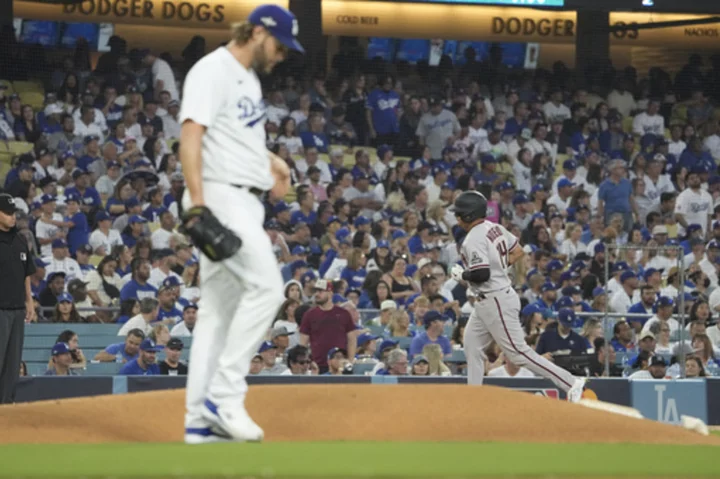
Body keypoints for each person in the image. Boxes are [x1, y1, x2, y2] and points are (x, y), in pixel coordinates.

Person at [179, 4, 303, 445]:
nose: (282, 55)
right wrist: (197, 204)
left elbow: (237, 136)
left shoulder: (248, 79)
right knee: (269, 288)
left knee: (216, 311)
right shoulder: (212, 69)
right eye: (279, 45)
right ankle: (225, 396)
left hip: (244, 197)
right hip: (219, 194)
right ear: (256, 32)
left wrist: (273, 162)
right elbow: (191, 133)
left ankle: (198, 422)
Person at [449, 190, 584, 402]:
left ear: (468, 215)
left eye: (459, 214)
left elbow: (482, 273)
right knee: (472, 344)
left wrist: (462, 275)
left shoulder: (472, 238)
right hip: (493, 297)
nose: (456, 218)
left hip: (495, 298)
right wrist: (499, 267)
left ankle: (570, 382)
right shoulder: (495, 228)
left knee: (517, 353)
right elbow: (518, 251)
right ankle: (472, 397)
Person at [0, 193, 36, 403]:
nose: (12, 217)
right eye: (7, 213)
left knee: (12, 364)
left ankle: (5, 407)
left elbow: (26, 273)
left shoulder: (20, 239)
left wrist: (29, 300)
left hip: (16, 309)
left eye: (13, 213)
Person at [298, 279, 357, 374]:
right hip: (317, 365)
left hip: (340, 365)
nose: (317, 294)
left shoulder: (344, 314)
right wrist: (307, 362)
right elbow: (303, 344)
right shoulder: (309, 315)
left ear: (330, 293)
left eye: (321, 291)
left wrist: (350, 361)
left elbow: (352, 340)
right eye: (316, 291)